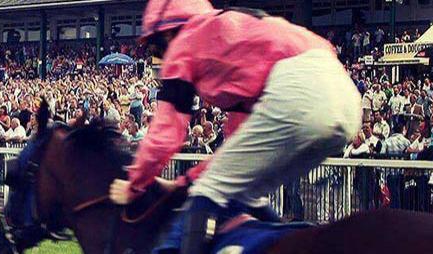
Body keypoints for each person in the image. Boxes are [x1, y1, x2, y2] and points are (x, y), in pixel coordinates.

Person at [107, 0, 361, 253]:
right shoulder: (232, 41)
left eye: (157, 45)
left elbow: (165, 133)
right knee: (246, 194)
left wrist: (134, 183)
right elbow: (235, 145)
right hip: (344, 98)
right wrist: (183, 182)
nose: (160, 55)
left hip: (299, 92)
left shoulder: (185, 40)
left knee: (211, 191)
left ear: (170, 31)